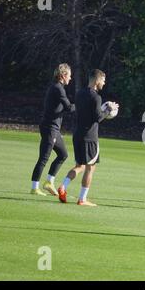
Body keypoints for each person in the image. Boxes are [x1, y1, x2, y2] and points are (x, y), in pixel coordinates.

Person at [57, 69, 119, 206]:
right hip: (90, 138)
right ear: (97, 81)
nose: (104, 82)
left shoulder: (80, 93)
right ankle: (82, 199)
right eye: (103, 80)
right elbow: (98, 117)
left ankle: (63, 187)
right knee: (90, 168)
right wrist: (109, 109)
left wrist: (104, 109)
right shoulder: (96, 97)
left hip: (77, 134)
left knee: (79, 166)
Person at [30, 63, 75, 196]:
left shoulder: (58, 87)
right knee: (44, 158)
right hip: (50, 128)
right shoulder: (58, 88)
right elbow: (68, 107)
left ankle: (49, 182)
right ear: (63, 75)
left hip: (53, 128)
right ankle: (34, 187)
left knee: (63, 154)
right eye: (69, 75)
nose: (70, 78)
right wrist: (82, 105)